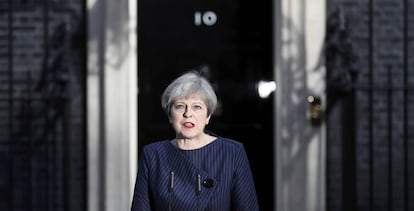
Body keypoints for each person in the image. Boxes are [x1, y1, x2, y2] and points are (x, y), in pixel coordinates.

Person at [131, 71, 259, 211]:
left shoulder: (232, 153)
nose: (188, 114)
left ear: (208, 116)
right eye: (180, 106)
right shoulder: (152, 155)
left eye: (196, 107)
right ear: (169, 115)